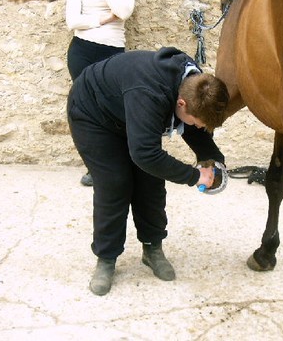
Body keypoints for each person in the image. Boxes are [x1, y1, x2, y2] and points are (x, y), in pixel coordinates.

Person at [67, 47, 229, 295]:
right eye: (198, 122)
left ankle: (153, 248)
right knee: (115, 183)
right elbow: (144, 154)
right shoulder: (150, 94)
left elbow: (196, 125)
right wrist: (194, 176)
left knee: (151, 182)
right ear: (181, 103)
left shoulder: (194, 83)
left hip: (128, 108)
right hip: (93, 114)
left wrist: (213, 160)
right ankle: (107, 259)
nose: (200, 127)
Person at [65, 0, 135, 186]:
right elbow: (72, 21)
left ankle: (120, 165)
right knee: (87, 112)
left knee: (114, 110)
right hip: (82, 50)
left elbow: (123, 12)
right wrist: (104, 19)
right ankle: (95, 168)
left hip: (112, 51)